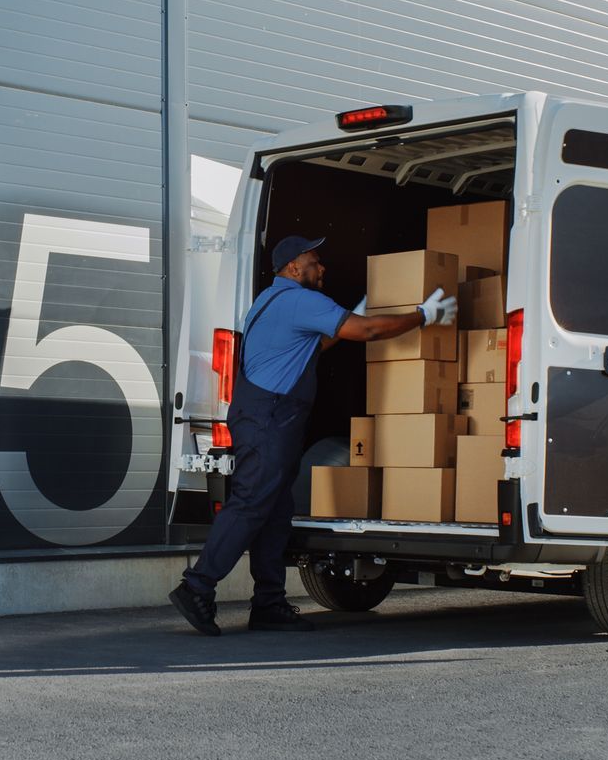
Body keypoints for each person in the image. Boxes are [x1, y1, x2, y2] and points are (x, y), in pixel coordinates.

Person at [169, 235, 456, 636]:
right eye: (314, 262)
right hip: (270, 419)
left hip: (267, 418)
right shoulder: (301, 301)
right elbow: (370, 331)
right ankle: (197, 586)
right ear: (293, 268)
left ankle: (268, 603)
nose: (322, 269)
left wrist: (347, 317)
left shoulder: (271, 301)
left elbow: (313, 344)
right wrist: (422, 315)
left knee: (274, 512)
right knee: (252, 503)